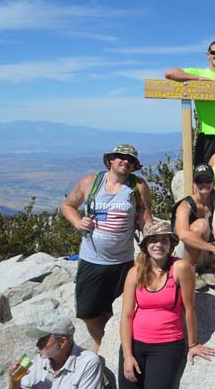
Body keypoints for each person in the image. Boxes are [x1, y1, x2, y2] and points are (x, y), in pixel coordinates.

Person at [60, 144, 152, 354]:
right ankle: (103, 342)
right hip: (92, 259)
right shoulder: (90, 183)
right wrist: (77, 222)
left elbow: (146, 218)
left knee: (120, 309)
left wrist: (154, 246)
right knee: (87, 311)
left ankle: (115, 346)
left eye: (130, 160)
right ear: (110, 160)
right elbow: (67, 205)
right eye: (121, 157)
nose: (125, 161)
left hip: (123, 262)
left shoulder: (138, 186)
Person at [119, 220, 215, 389]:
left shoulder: (180, 268)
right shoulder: (135, 272)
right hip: (135, 344)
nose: (159, 245)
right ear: (146, 245)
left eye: (164, 240)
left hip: (167, 346)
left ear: (171, 245)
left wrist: (193, 344)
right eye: (153, 240)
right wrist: (127, 356)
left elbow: (189, 308)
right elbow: (126, 316)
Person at [171, 164, 215, 291]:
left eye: (208, 180)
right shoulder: (186, 205)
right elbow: (183, 235)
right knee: (201, 225)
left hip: (207, 253)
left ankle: (207, 270)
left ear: (214, 182)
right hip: (185, 252)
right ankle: (190, 271)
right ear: (194, 183)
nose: (204, 184)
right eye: (199, 181)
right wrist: (212, 248)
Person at [8, 314, 102, 389]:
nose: (37, 345)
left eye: (43, 340)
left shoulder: (88, 363)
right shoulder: (38, 361)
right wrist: (14, 381)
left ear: (62, 342)